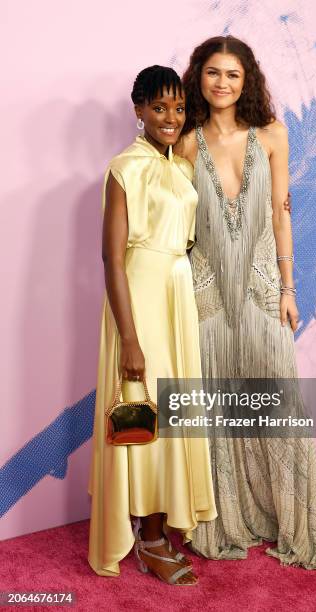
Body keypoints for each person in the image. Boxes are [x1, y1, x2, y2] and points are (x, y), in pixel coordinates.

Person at [175, 36, 316, 569]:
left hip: (265, 287)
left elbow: (280, 214)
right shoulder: (184, 142)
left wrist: (290, 290)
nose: (222, 83)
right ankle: (225, 518)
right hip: (206, 294)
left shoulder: (272, 135)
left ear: (247, 82)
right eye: (213, 73)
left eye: (234, 75)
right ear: (198, 77)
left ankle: (286, 519)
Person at [87, 65, 216, 584]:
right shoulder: (125, 167)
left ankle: (162, 523)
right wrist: (130, 338)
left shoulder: (182, 169)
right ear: (138, 110)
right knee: (144, 414)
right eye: (159, 108)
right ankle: (147, 535)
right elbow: (111, 258)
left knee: (174, 411)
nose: (170, 117)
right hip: (139, 297)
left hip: (177, 296)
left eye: (178, 108)